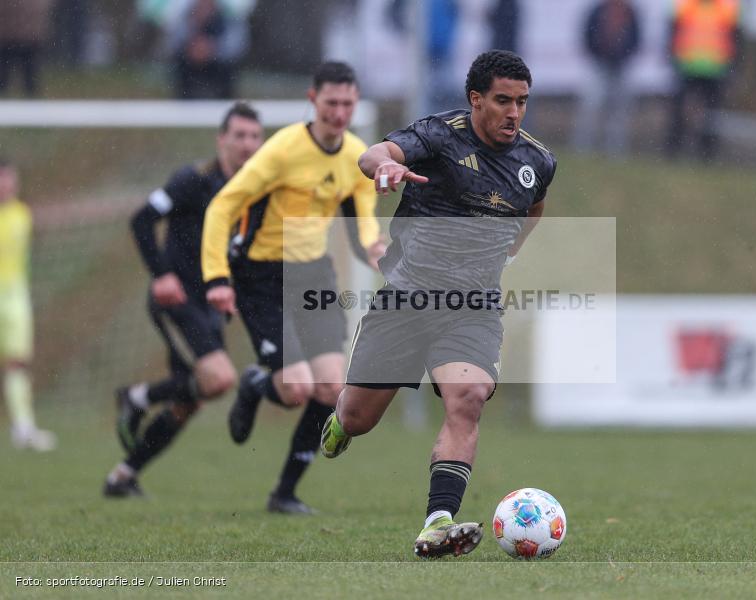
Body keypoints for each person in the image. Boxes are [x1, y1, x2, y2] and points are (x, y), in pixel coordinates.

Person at [320, 50, 556, 558]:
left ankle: (437, 522)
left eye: (522, 102)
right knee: (360, 418)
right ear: (476, 99)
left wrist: (511, 248)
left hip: (473, 306)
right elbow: (372, 154)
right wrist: (384, 167)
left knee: (468, 399)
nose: (514, 113)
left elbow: (534, 205)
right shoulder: (439, 134)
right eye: (502, 101)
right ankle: (341, 418)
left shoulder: (536, 161)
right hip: (406, 300)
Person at [201, 62, 383, 514]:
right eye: (331, 103)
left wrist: (379, 252)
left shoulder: (357, 155)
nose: (339, 113)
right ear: (313, 100)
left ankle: (284, 492)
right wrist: (217, 277)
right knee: (296, 390)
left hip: (314, 275)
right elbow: (222, 207)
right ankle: (256, 384)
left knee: (330, 387)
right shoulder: (282, 150)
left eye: (347, 104)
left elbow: (363, 229)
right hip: (262, 276)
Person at [103, 103, 264, 498]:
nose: (247, 144)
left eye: (254, 137)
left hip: (209, 307)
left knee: (188, 400)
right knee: (221, 378)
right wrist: (161, 274)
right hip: (176, 300)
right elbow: (141, 219)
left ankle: (122, 476)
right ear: (221, 140)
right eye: (239, 136)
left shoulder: (255, 189)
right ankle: (137, 398)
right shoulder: (194, 180)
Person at [0, 159, 55, 451]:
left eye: (9, 179)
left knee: (17, 363)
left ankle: (23, 427)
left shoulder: (23, 214)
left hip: (14, 296)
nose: (5, 184)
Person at [665, 0, 741, 161]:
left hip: (715, 68)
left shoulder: (727, 6)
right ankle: (674, 147)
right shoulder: (686, 4)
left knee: (711, 114)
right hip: (688, 65)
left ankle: (706, 151)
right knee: (679, 110)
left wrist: (733, 65)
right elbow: (673, 30)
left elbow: (736, 36)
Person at [572, 0, 641, 154]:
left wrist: (623, 56)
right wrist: (598, 54)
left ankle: (615, 149)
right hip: (599, 66)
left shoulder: (629, 12)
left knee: (619, 111)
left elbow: (636, 39)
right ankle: (583, 147)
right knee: (591, 107)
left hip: (621, 68)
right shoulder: (598, 10)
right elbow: (587, 35)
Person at [169, 0, 248, 99]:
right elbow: (173, 44)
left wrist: (211, 49)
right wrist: (191, 47)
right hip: (189, 70)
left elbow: (236, 47)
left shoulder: (229, 18)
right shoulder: (184, 17)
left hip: (219, 69)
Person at [0, 0, 55, 97]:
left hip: (15, 38)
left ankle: (31, 100)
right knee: (29, 78)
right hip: (25, 38)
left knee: (27, 78)